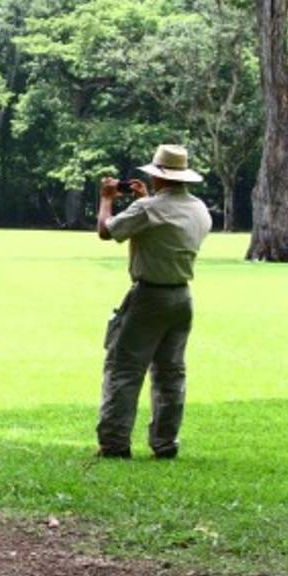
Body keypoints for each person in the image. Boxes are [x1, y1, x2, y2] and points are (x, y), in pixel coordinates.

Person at [95, 144, 211, 460]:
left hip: (148, 296)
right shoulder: (199, 208)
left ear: (158, 176)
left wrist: (106, 199)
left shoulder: (149, 209)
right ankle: (165, 443)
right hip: (182, 297)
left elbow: (107, 231)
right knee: (170, 374)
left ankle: (115, 443)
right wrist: (145, 199)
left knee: (124, 369)